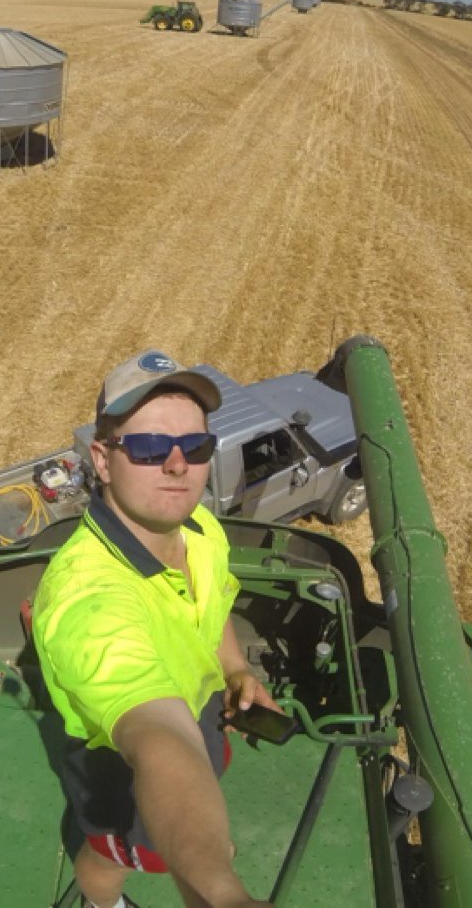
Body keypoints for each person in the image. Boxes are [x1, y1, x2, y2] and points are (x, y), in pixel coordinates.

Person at [32, 350, 275, 908]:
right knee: (112, 854)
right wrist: (220, 892)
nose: (176, 465)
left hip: (203, 716)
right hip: (117, 763)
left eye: (195, 447)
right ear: (102, 458)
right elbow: (160, 739)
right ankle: (104, 904)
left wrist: (235, 667)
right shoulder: (88, 596)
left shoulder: (199, 528)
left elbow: (213, 607)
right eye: (146, 447)